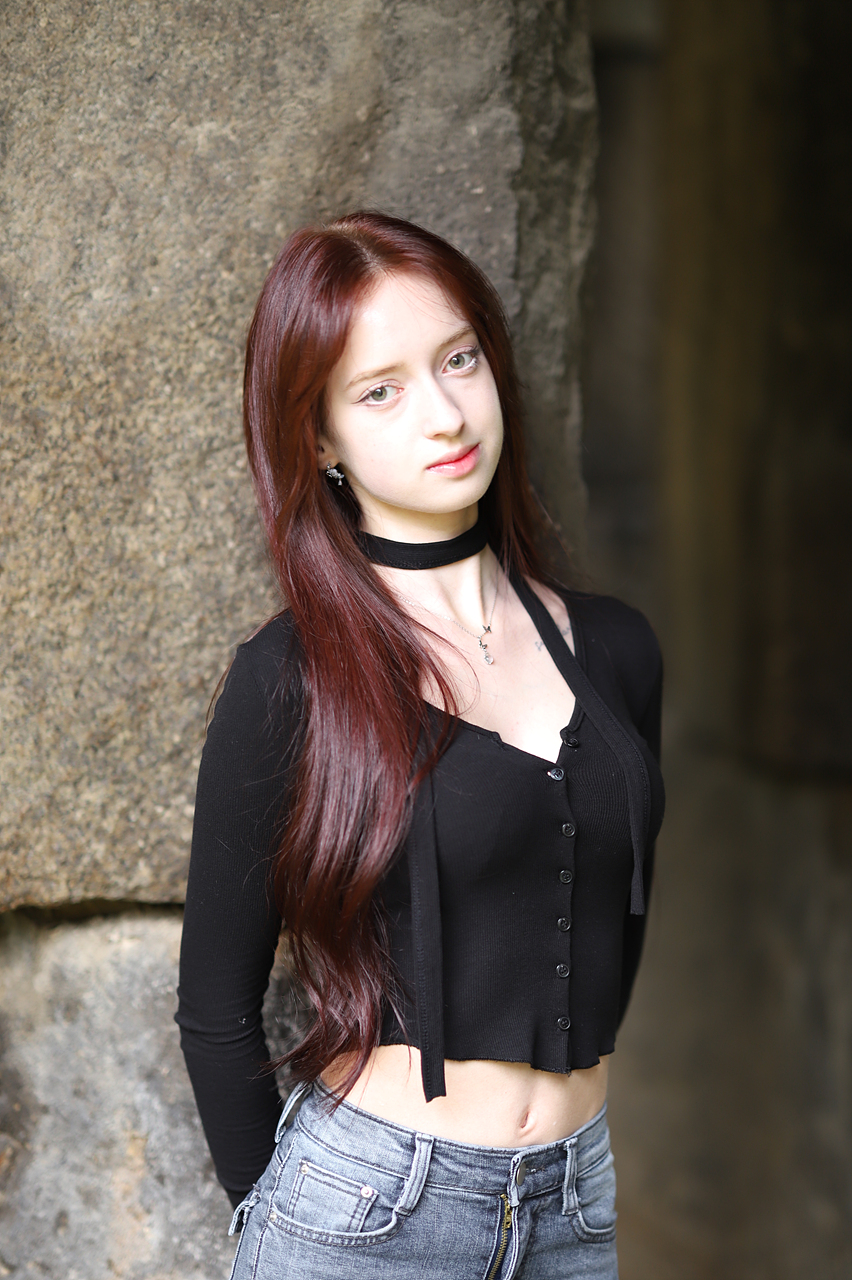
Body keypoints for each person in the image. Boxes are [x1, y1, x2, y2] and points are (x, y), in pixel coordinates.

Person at [176, 211, 664, 1280]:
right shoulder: (292, 677)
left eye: (459, 359)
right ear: (319, 439)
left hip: (577, 1203)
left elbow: (606, 926)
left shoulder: (618, 649)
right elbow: (215, 1006)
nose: (445, 413)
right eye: (380, 390)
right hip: (370, 1210)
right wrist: (277, 1224)